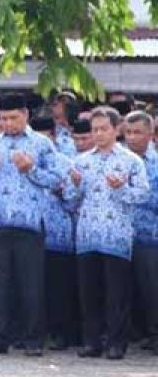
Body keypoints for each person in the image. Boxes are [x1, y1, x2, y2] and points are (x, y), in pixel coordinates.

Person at [0, 93, 60, 357]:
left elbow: (56, 179)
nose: (9, 123)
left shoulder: (41, 144)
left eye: (14, 118)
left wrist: (31, 169)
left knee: (30, 283)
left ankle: (33, 338)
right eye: (4, 119)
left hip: (30, 224)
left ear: (25, 115)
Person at [64, 107, 150, 360]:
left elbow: (142, 195)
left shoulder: (131, 161)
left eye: (104, 129)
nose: (99, 134)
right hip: (87, 235)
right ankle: (92, 341)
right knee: (89, 292)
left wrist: (122, 188)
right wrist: (76, 186)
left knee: (117, 293)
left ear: (116, 129)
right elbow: (69, 200)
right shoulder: (81, 161)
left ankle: (116, 343)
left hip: (116, 236)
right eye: (95, 129)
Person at [32, 114, 80, 350]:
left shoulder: (64, 163)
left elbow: (73, 202)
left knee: (59, 287)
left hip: (58, 234)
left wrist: (62, 192)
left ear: (52, 136)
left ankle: (62, 333)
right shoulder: (22, 161)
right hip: (31, 233)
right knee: (33, 287)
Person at [127, 111, 158, 352]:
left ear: (150, 134)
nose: (132, 137)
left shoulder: (155, 163)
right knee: (124, 287)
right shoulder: (118, 159)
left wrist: (128, 193)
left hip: (149, 235)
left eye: (138, 132)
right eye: (128, 132)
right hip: (119, 235)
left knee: (151, 287)